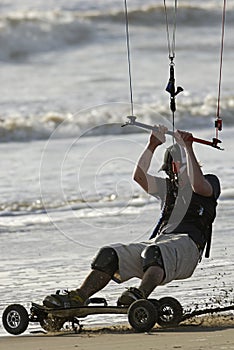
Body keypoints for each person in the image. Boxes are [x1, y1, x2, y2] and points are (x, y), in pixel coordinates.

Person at [43, 126, 221, 309]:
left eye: (182, 166)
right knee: (109, 255)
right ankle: (78, 298)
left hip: (187, 247)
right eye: (174, 168)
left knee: (155, 253)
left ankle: (139, 295)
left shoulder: (209, 182)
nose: (178, 172)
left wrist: (188, 148)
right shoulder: (167, 189)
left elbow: (198, 186)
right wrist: (152, 145)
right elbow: (139, 177)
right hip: (161, 244)